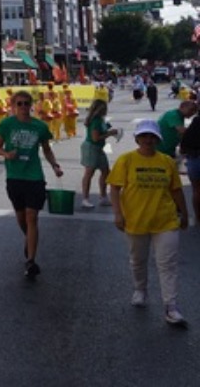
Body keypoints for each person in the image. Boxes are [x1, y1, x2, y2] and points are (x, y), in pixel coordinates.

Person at [107, 119, 188, 325]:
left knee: (167, 264)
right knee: (138, 260)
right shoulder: (126, 160)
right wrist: (118, 213)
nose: (148, 140)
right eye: (144, 136)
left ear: (158, 139)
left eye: (152, 136)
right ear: (137, 138)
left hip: (165, 220)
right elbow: (114, 188)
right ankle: (140, 289)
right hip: (136, 219)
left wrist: (185, 213)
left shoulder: (166, 161)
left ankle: (171, 306)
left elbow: (176, 190)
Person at [0, 90, 64, 279]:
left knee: (32, 216)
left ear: (31, 106)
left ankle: (31, 261)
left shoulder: (40, 126)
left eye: (27, 104)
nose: (24, 107)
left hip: (35, 177)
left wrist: (55, 165)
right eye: (20, 104)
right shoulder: (7, 124)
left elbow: (47, 150)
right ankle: (29, 239)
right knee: (21, 218)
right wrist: (6, 154)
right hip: (15, 177)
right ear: (13, 106)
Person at [80, 99, 119, 209]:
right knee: (89, 172)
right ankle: (85, 198)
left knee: (106, 171)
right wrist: (110, 133)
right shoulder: (95, 121)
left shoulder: (101, 120)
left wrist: (110, 130)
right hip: (91, 147)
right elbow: (95, 138)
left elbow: (104, 130)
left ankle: (103, 196)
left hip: (99, 148)